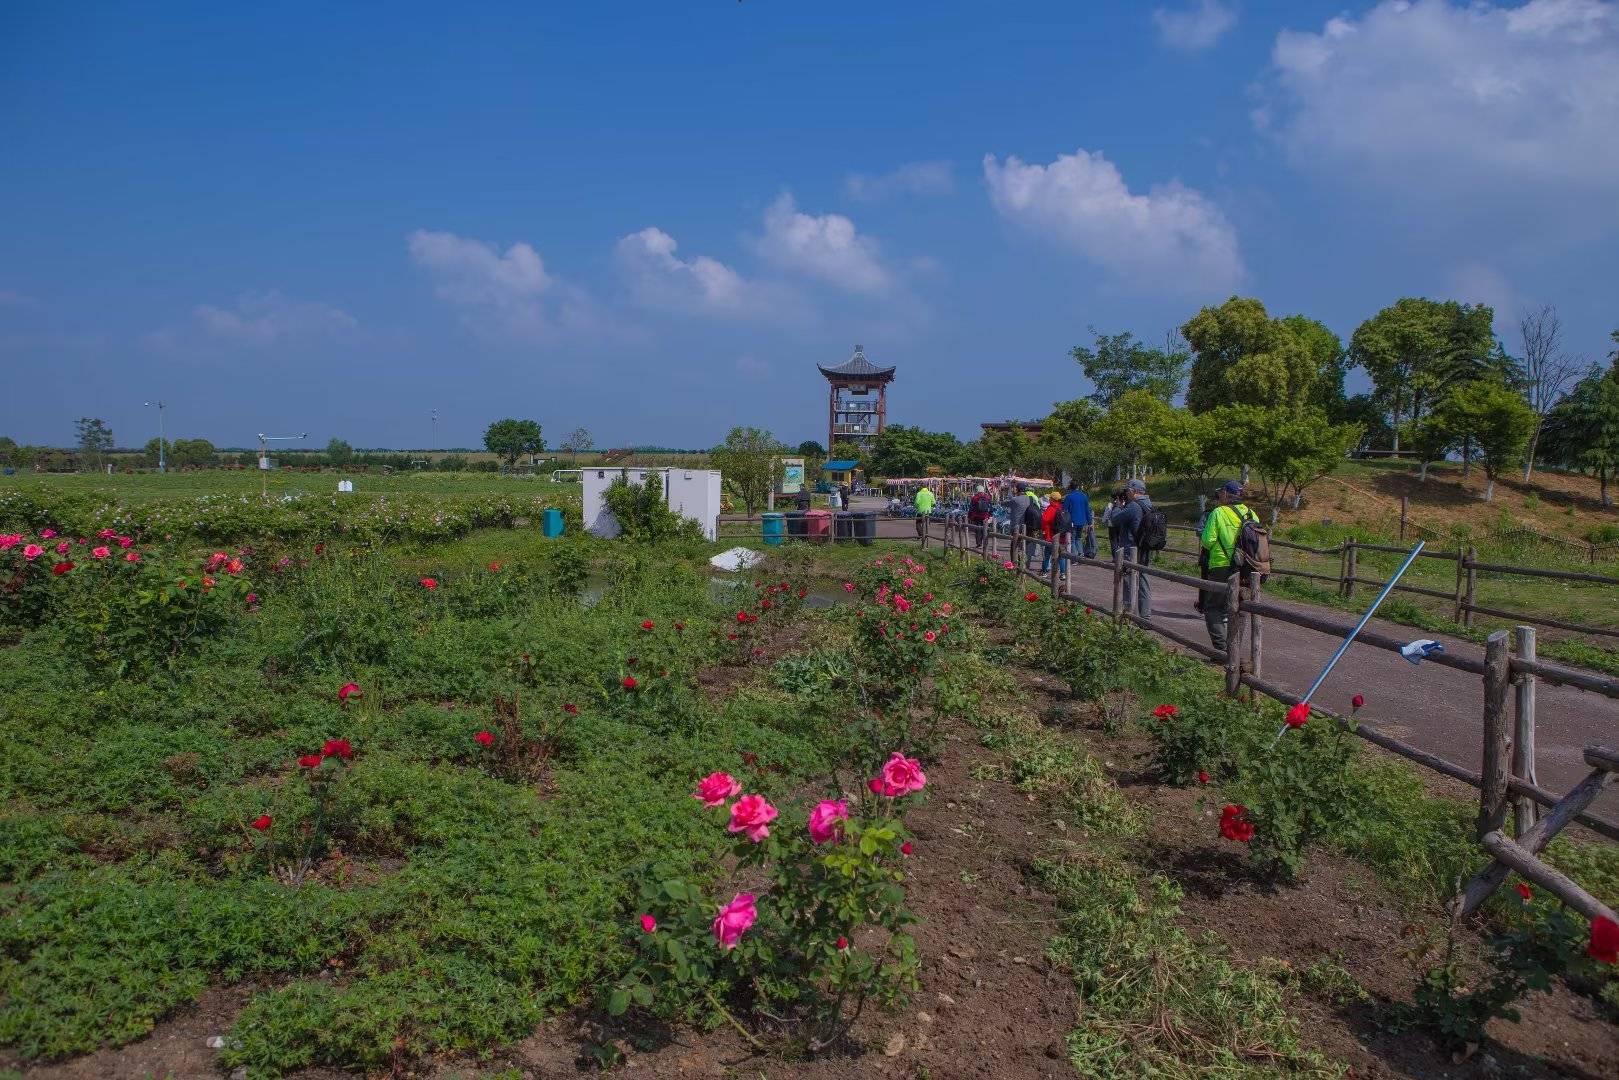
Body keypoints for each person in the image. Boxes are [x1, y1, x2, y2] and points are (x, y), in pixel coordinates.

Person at [1199, 480, 1259, 650]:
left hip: (1221, 565)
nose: (1219, 496)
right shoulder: (1252, 514)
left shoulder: (1218, 512)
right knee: (1239, 607)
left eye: (1221, 493)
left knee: (1213, 607)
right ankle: (1235, 647)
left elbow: (1207, 541)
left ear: (1226, 494)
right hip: (1246, 567)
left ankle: (1221, 648)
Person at [1108, 478, 1153, 619]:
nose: (1125, 494)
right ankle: (1145, 615)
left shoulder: (1133, 506)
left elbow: (1115, 519)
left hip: (1131, 548)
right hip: (1145, 547)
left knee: (1128, 582)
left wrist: (1117, 505)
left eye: (1127, 491)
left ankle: (1128, 613)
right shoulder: (1149, 504)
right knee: (1144, 579)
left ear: (1134, 491)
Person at [1040, 492, 1071, 577]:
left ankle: (1045, 571)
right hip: (1062, 536)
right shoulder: (1062, 508)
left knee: (1047, 555)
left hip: (1051, 536)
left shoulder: (1051, 508)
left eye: (1050, 498)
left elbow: (1044, 520)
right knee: (1061, 555)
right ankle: (1063, 573)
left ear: (1053, 499)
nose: (1049, 499)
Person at [1062, 480, 1095, 560]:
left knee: (1072, 539)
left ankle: (1075, 557)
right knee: (1078, 538)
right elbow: (1087, 510)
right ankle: (1081, 554)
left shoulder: (1069, 497)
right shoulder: (1084, 496)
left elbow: (1064, 510)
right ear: (1078, 487)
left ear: (1070, 487)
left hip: (1072, 521)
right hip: (1082, 521)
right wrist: (1090, 522)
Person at [1006, 486, 1035, 565]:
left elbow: (1005, 503)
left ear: (1017, 489)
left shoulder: (1015, 500)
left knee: (1014, 545)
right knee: (1027, 545)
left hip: (1017, 526)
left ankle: (1014, 563)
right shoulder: (1030, 499)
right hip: (1028, 525)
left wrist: (1012, 494)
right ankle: (1026, 564)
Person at [967, 482, 994, 553]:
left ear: (977, 490)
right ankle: (985, 542)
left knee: (977, 530)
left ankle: (979, 543)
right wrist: (990, 515)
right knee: (984, 530)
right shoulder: (988, 497)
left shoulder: (974, 498)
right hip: (985, 516)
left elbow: (971, 508)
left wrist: (969, 516)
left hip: (976, 516)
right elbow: (990, 507)